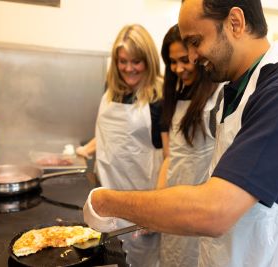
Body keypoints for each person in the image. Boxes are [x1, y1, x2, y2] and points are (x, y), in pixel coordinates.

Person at [83, 1, 278, 267]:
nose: (193, 56)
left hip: (269, 258)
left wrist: (107, 201)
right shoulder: (232, 92)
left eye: (196, 41)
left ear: (235, 22)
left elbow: (215, 211)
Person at [77, 24, 165, 267]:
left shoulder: (158, 97)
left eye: (136, 61)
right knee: (109, 259)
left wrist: (155, 211)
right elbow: (111, 135)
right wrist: (86, 150)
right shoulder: (111, 91)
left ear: (148, 60)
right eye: (122, 61)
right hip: (106, 198)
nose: (128, 68)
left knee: (139, 261)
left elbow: (168, 157)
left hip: (140, 201)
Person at [157, 24, 223, 267]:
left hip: (200, 209)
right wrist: (157, 202)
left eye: (184, 60)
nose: (178, 68)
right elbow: (169, 158)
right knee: (172, 257)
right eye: (172, 62)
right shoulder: (175, 95)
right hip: (173, 203)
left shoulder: (216, 100)